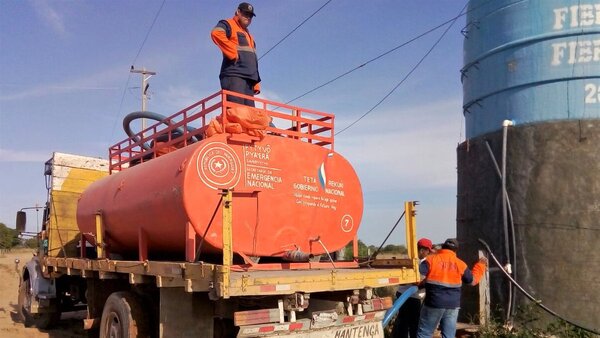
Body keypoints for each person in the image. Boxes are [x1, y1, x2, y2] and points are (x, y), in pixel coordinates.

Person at [416, 238, 487, 338]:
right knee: (449, 335)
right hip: (452, 306)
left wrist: (420, 284)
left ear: (443, 247)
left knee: (424, 334)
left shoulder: (431, 260)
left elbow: (418, 275)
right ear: (455, 251)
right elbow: (472, 281)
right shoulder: (461, 264)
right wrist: (480, 266)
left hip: (434, 303)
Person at [211, 2, 261, 107]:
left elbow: (252, 60)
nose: (248, 17)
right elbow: (216, 33)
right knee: (237, 112)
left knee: (249, 115)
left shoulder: (249, 36)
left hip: (249, 80)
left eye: (250, 15)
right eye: (245, 14)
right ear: (238, 12)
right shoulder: (229, 24)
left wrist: (256, 81)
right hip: (234, 75)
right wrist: (233, 53)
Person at [392, 238, 434, 338]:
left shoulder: (407, 259)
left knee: (403, 322)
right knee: (414, 324)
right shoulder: (423, 263)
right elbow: (421, 282)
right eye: (428, 251)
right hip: (413, 297)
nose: (428, 254)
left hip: (402, 294)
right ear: (422, 250)